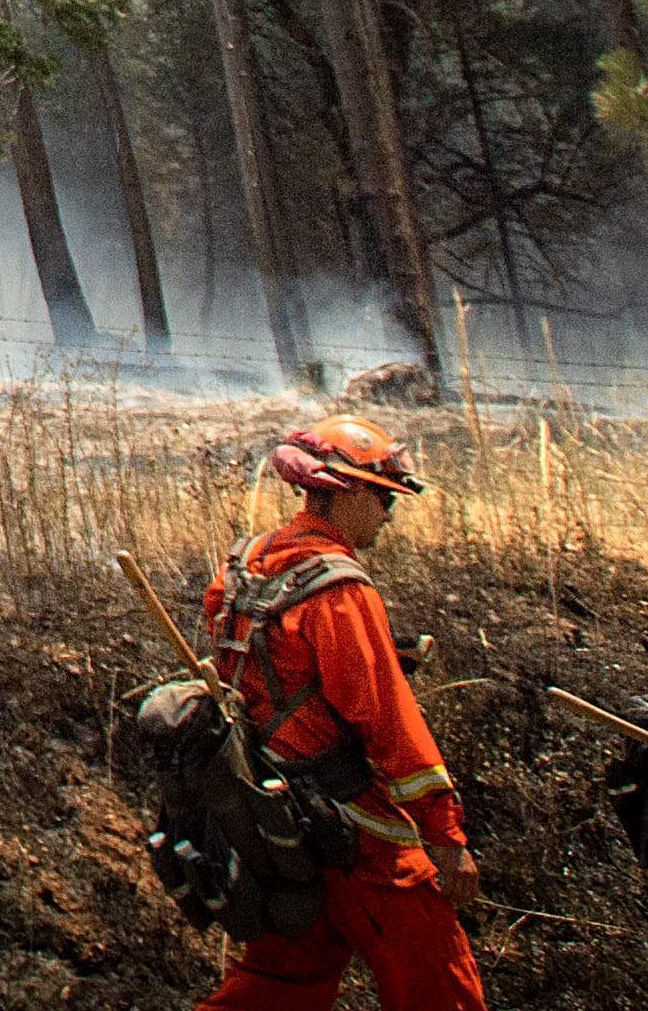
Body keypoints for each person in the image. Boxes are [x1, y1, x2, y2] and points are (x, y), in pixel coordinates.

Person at [195, 418, 481, 1011]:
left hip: (275, 822)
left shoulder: (244, 565)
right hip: (357, 832)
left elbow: (251, 669)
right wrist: (446, 836)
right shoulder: (340, 589)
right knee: (440, 985)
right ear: (347, 491)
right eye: (383, 498)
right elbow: (387, 719)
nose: (388, 515)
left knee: (280, 985)